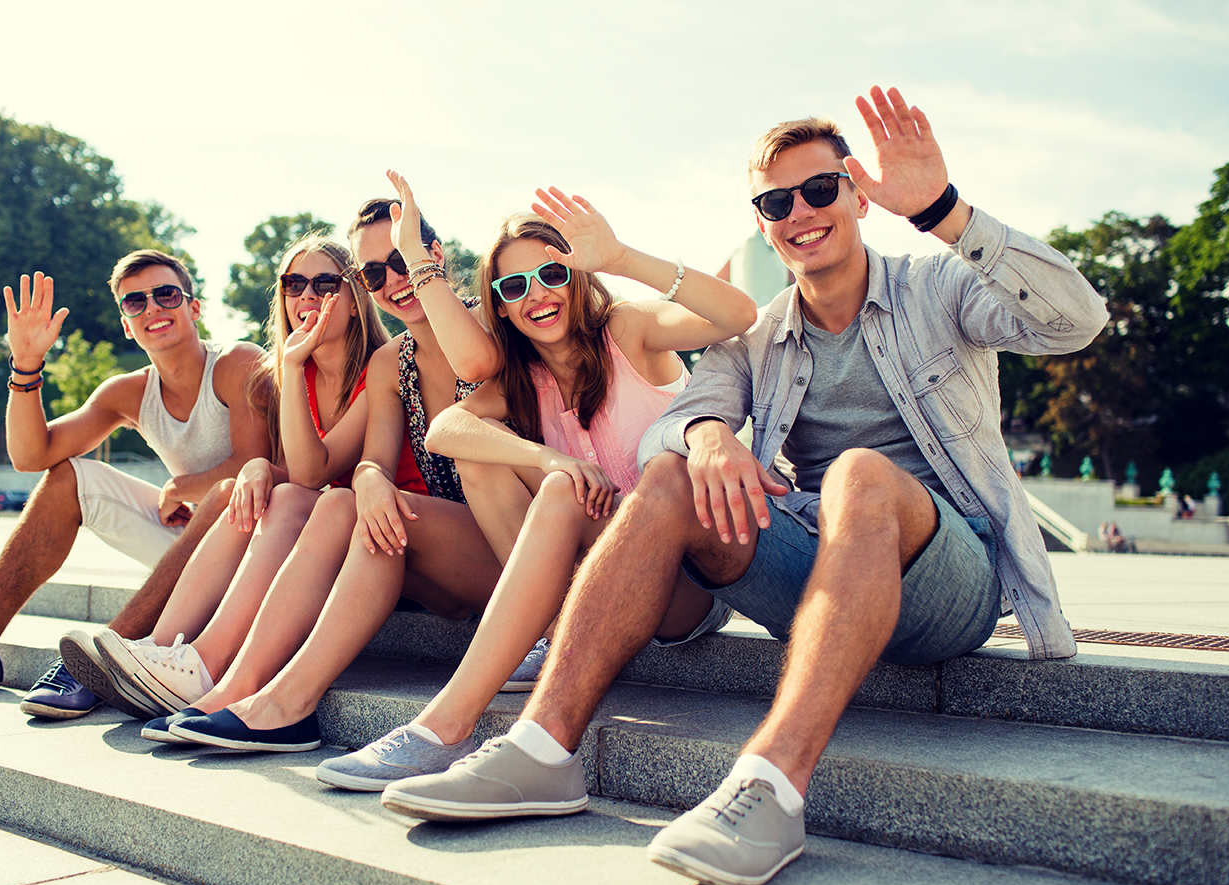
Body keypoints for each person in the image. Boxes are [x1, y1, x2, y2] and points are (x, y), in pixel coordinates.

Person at [376, 86, 1108, 885]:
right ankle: (542, 750)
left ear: (859, 196)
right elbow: (680, 416)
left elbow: (1076, 322)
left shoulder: (937, 286)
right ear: (762, 219)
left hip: (948, 578)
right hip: (822, 570)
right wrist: (707, 434)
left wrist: (942, 209)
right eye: (775, 200)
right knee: (667, 476)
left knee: (862, 474)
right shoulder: (762, 336)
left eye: (820, 190)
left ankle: (770, 784)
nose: (800, 211)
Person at [315, 188, 756, 790]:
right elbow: (448, 428)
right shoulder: (525, 378)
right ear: (499, 304)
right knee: (488, 461)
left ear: (575, 276)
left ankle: (441, 728)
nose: (536, 295)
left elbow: (738, 315)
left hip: (686, 582)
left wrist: (621, 257)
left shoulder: (626, 330)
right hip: (605, 580)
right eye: (513, 286)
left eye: (550, 274)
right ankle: (547, 637)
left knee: (554, 491)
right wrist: (548, 456)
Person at [137, 187, 505, 751]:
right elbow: (346, 469)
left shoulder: (494, 323)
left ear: (435, 252)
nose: (393, 281)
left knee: (324, 501)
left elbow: (477, 366)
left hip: (510, 553)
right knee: (334, 500)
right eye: (375, 271)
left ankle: (271, 696)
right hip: (427, 559)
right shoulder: (392, 361)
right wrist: (367, 476)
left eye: (404, 260)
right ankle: (237, 688)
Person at [0, 250, 273, 720]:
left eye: (166, 295)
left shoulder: (238, 362)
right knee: (68, 475)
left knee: (225, 495)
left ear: (194, 307)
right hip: (197, 548)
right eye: (134, 303)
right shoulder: (126, 393)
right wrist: (26, 363)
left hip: (264, 544)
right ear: (126, 323)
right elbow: (31, 455)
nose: (152, 309)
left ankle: (98, 661)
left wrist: (180, 486)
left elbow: (253, 463)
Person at [59, 233, 392, 718]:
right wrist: (260, 464)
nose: (308, 297)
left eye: (325, 283)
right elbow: (299, 477)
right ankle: (164, 649)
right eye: (294, 284)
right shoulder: (289, 376)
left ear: (357, 299)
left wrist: (291, 374)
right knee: (268, 495)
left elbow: (313, 471)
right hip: (334, 529)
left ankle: (199, 663)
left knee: (296, 498)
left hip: (384, 537)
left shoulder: (377, 367)